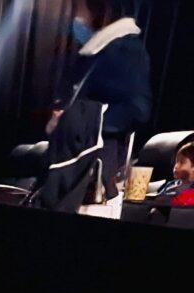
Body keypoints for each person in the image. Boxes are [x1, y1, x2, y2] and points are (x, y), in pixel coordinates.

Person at [45, 1, 152, 218]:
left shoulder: (126, 49)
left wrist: (81, 120)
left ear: (99, 10)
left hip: (97, 169)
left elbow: (138, 109)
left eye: (79, 10)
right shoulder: (97, 51)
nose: (75, 18)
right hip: (72, 166)